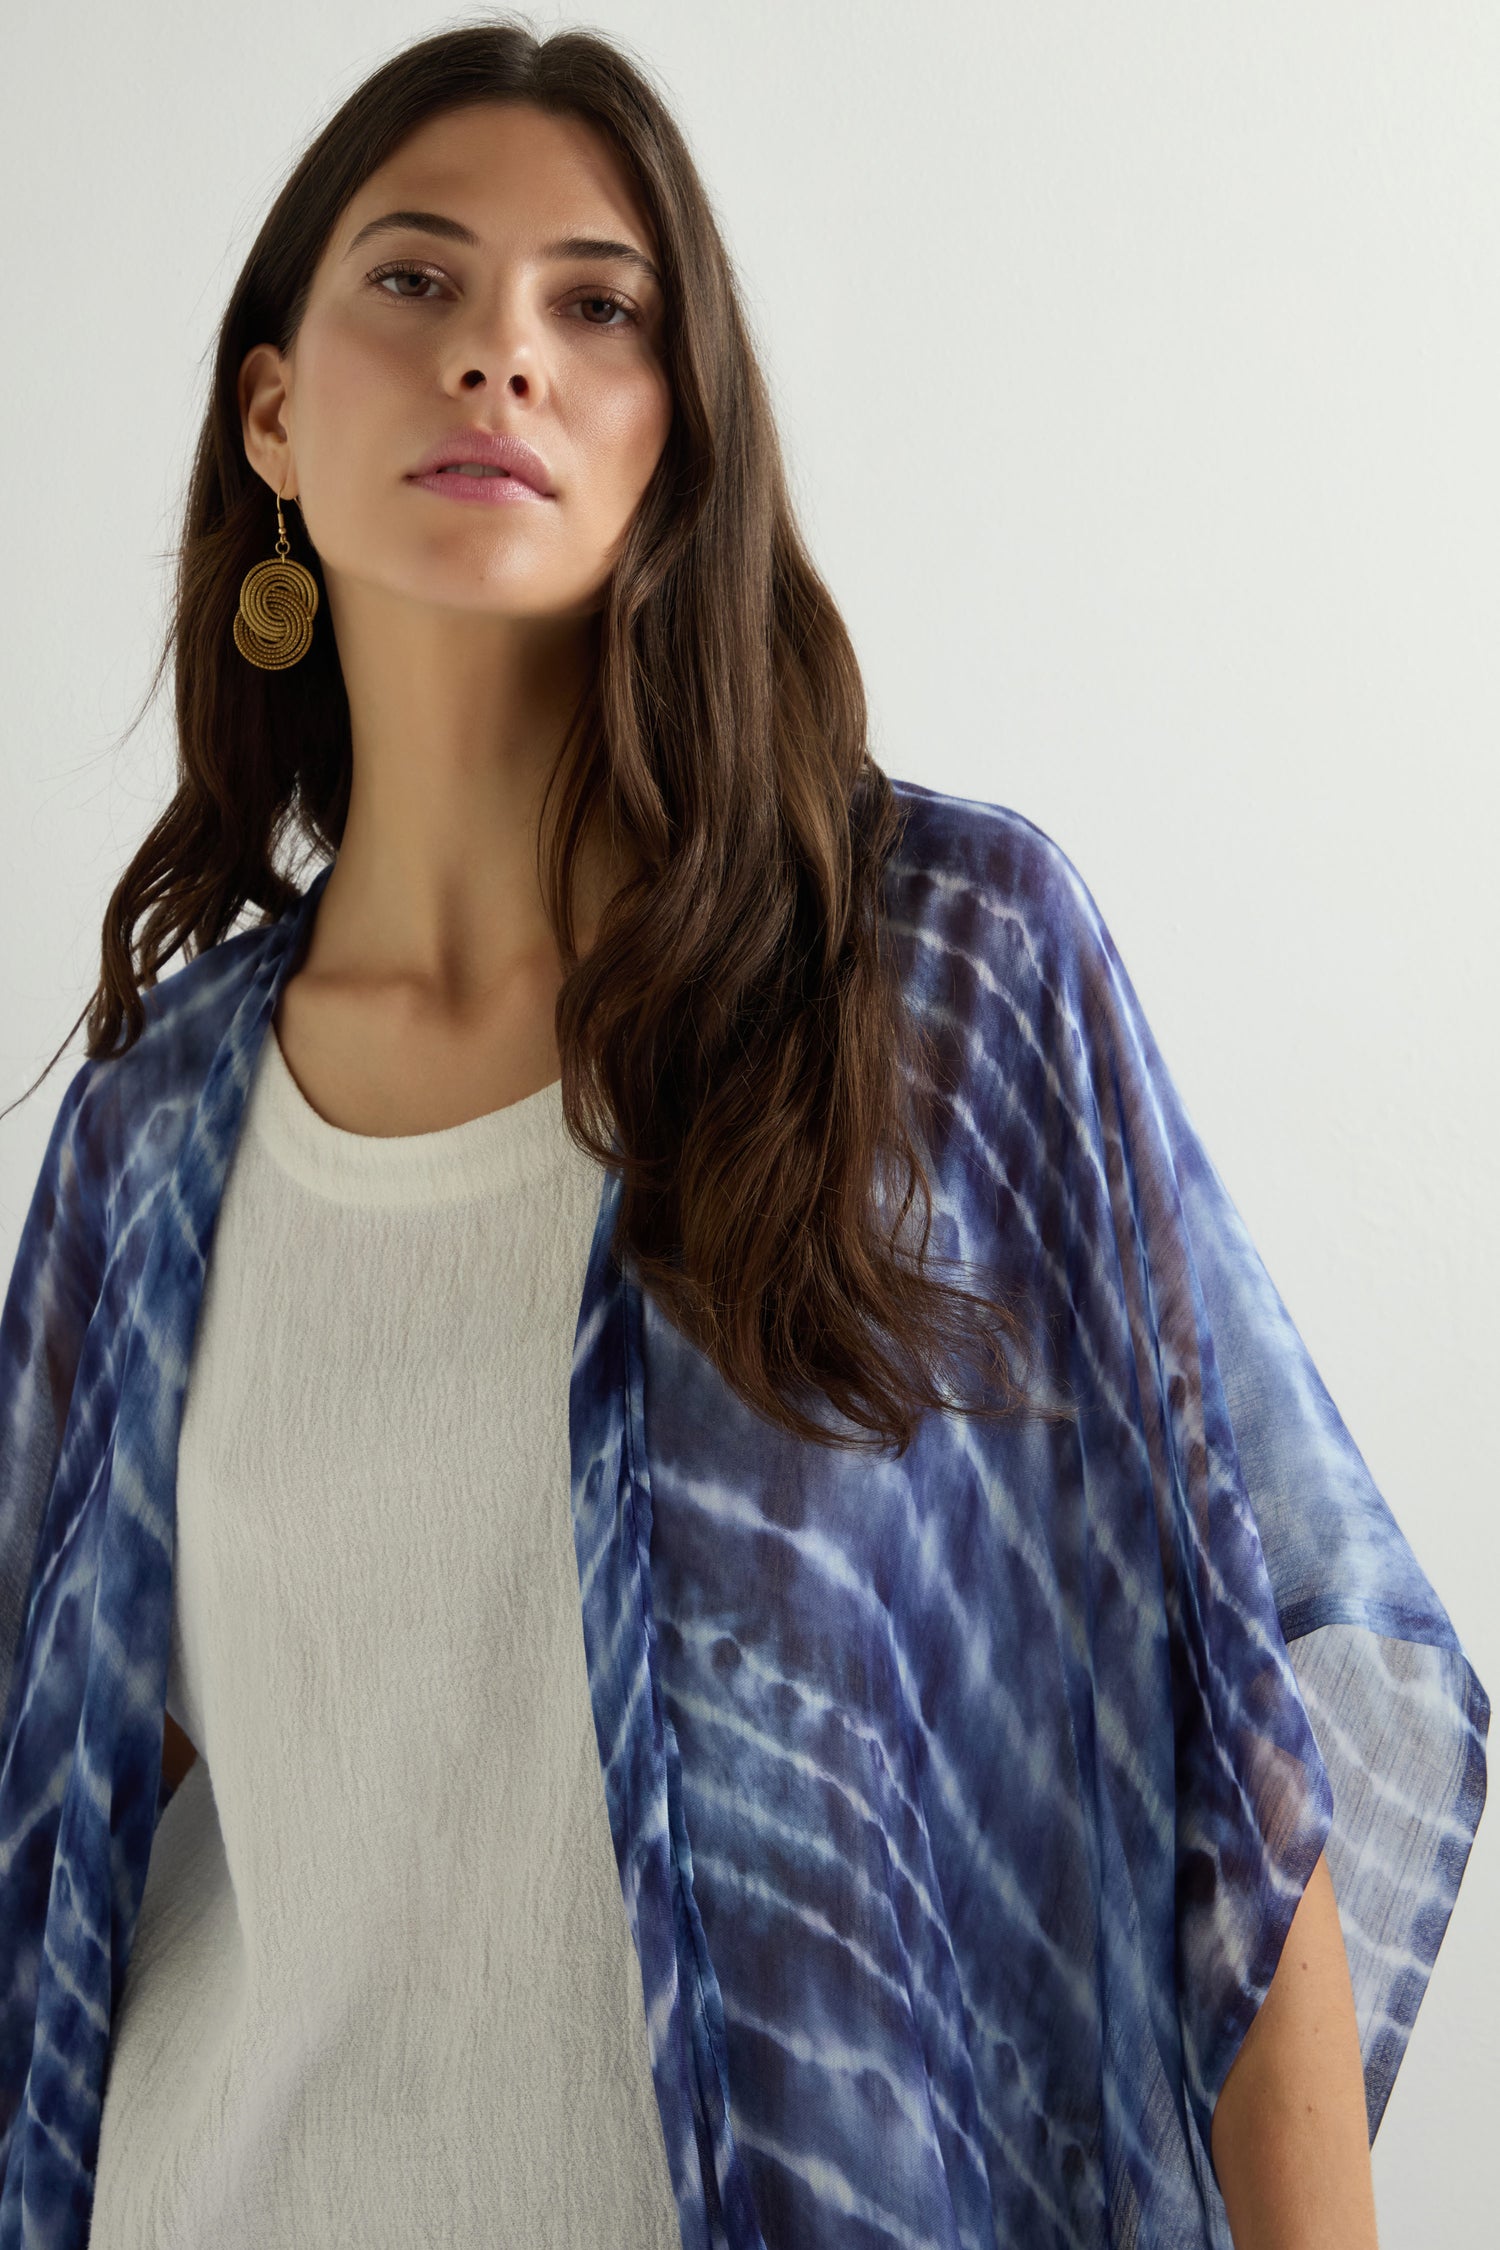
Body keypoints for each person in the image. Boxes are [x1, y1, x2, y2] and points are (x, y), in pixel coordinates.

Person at [0, 20, 1486, 2250]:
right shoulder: (156, 1131)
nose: (504, 349)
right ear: (275, 413)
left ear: (673, 436)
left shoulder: (940, 977)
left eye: (598, 308)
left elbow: (1232, 1751)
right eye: (415, 279)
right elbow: (86, 1833)